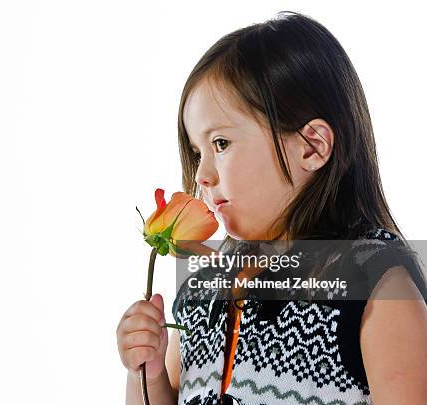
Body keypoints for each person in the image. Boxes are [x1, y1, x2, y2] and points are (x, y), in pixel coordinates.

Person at [116, 10, 427, 405]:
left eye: (221, 144)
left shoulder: (377, 286)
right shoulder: (205, 290)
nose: (202, 176)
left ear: (311, 146)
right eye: (197, 152)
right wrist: (148, 372)